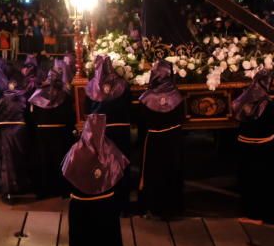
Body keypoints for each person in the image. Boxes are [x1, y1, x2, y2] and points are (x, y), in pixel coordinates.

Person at [61, 113, 129, 246]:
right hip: (106, 207)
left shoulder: (76, 151)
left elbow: (66, 178)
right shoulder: (112, 152)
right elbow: (122, 179)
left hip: (82, 208)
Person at [85, 55, 133, 212]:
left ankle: (105, 203)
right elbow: (129, 105)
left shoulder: (92, 86)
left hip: (101, 130)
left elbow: (87, 110)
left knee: (103, 166)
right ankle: (123, 204)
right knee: (121, 165)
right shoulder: (123, 84)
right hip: (121, 130)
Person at [138, 60, 184, 218]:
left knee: (154, 173)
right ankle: (173, 208)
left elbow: (142, 121)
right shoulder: (177, 96)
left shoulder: (146, 98)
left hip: (154, 140)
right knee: (172, 171)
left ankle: (154, 207)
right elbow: (181, 118)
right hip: (172, 140)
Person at [231, 69, 274, 224]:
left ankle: (253, 213)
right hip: (265, 147)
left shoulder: (243, 99)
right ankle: (267, 213)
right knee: (266, 181)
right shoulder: (270, 105)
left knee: (249, 182)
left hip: (246, 145)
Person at [28, 68, 75, 198]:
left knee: (43, 161)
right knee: (60, 161)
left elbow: (31, 116)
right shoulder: (64, 95)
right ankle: (61, 190)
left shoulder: (37, 94)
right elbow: (70, 116)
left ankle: (44, 191)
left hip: (42, 133)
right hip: (60, 133)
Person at [0, 76, 32, 200]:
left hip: (6, 131)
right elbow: (28, 115)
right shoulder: (23, 98)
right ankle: (21, 186)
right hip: (19, 131)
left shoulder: (2, 99)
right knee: (20, 157)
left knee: (7, 160)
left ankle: (8, 187)